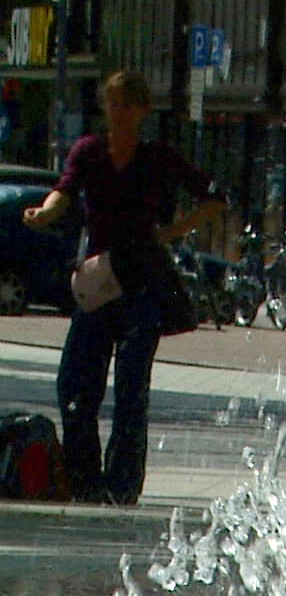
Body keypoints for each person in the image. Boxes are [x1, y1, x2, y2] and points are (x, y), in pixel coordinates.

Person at [22, 69, 217, 506]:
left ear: (144, 110)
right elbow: (64, 190)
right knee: (75, 382)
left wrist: (174, 231)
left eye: (129, 104)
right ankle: (84, 477)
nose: (120, 112)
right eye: (114, 103)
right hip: (100, 279)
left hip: (143, 280)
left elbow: (213, 197)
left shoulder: (156, 156)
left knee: (131, 386)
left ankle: (122, 484)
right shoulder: (89, 151)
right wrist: (43, 213)